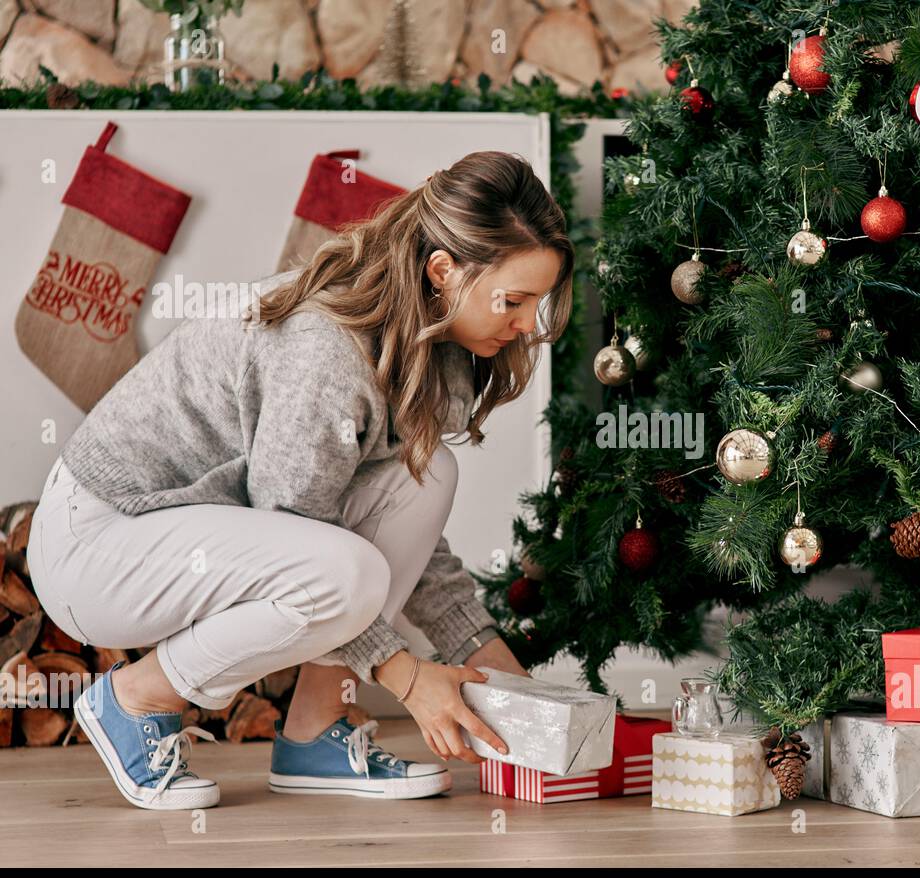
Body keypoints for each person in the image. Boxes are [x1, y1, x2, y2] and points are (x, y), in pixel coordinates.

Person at [25, 150, 573, 810]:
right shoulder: (328, 351)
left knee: (427, 477)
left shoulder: (420, 347)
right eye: (513, 301)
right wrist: (408, 676)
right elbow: (306, 549)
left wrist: (499, 669)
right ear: (442, 271)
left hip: (180, 538)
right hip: (94, 542)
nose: (524, 326)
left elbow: (388, 539)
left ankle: (317, 726)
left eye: (534, 304)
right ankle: (135, 696)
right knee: (346, 573)